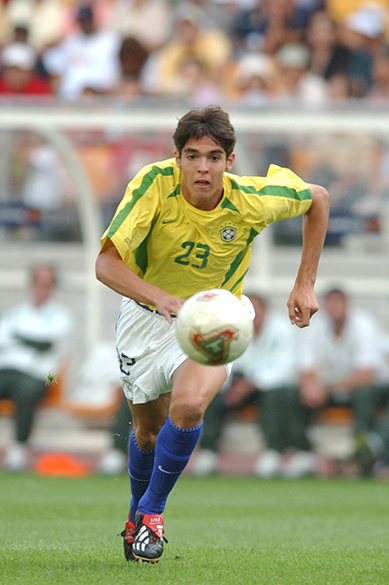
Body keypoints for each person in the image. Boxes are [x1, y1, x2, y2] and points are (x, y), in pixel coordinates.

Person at [95, 104, 330, 564]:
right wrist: (161, 299)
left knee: (188, 404)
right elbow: (105, 264)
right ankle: (136, 511)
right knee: (146, 431)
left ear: (230, 160)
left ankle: (152, 514)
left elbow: (318, 198)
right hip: (147, 317)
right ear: (177, 157)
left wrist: (304, 282)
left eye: (214, 157)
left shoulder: (250, 199)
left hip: (216, 314)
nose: (203, 167)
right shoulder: (152, 186)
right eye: (193, 156)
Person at [191, 293, 315, 479]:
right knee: (213, 394)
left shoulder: (281, 329)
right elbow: (229, 361)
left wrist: (251, 385)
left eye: (258, 309)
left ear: (266, 310)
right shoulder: (234, 330)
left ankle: (273, 451)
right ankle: (209, 451)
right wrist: (235, 386)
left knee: (278, 397)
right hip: (243, 386)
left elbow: (284, 368)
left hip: (271, 388)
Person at [298, 287, 389, 476]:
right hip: (331, 390)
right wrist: (311, 387)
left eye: (338, 302)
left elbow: (367, 375)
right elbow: (305, 368)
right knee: (292, 395)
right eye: (330, 302)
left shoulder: (364, 325)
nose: (334, 307)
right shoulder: (317, 328)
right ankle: (301, 454)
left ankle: (364, 449)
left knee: (365, 394)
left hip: (367, 390)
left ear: (347, 305)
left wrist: (326, 388)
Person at [0, 264, 73, 471]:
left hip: (45, 375)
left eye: (47, 284)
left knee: (27, 389)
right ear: (31, 285)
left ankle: (19, 446)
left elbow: (48, 344)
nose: (43, 288)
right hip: (7, 369)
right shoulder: (14, 314)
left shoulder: (62, 316)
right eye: (39, 283)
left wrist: (19, 338)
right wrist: (35, 342)